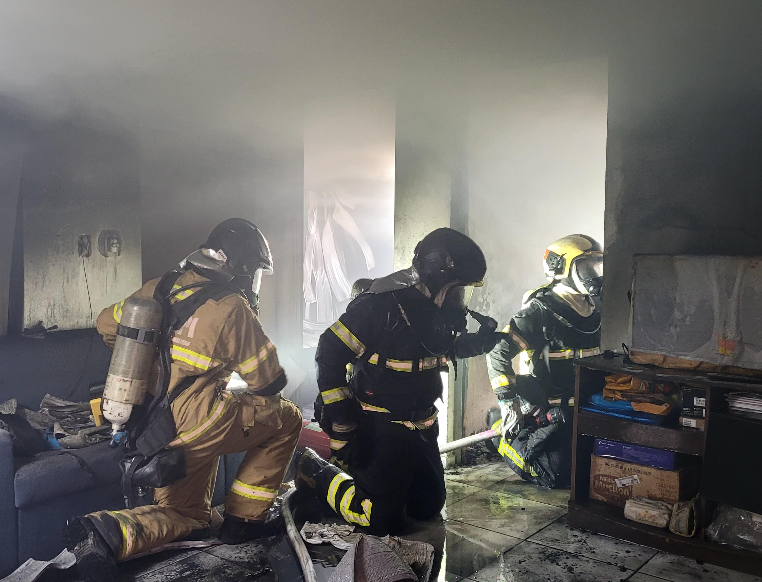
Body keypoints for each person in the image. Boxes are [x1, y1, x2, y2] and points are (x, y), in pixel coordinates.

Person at [65, 218, 302, 581]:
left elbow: (105, 323)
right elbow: (268, 382)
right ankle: (244, 520)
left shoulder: (158, 288)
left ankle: (104, 532)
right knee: (286, 418)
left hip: (150, 425)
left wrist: (147, 367)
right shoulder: (231, 306)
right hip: (199, 421)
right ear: (241, 267)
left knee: (189, 514)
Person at [297, 228, 498, 536]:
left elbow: (436, 351)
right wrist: (341, 418)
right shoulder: (379, 305)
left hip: (422, 427)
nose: (461, 299)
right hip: (379, 428)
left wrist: (478, 343)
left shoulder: (433, 309)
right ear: (435, 277)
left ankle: (384, 486)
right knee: (378, 520)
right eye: (458, 290)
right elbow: (330, 350)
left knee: (427, 508)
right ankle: (316, 471)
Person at [486, 234, 603, 488]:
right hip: (551, 409)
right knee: (557, 473)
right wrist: (508, 403)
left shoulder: (597, 307)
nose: (594, 274)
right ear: (561, 268)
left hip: (588, 407)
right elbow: (497, 352)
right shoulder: (539, 312)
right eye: (586, 267)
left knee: (592, 465)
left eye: (596, 266)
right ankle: (501, 432)